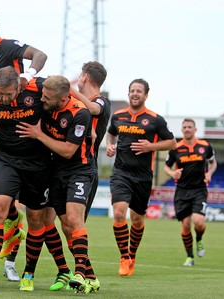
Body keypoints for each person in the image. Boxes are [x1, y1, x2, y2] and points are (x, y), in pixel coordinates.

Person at [16, 75, 99, 294]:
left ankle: (79, 273)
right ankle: (87, 276)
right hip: (55, 171)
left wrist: (38, 134)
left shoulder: (79, 114)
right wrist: (24, 80)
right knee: (59, 225)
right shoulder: (48, 94)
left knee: (73, 220)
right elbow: (35, 80)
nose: (41, 99)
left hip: (79, 170)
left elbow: (68, 150)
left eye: (47, 97)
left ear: (63, 100)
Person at [0, 66, 52, 292]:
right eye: (1, 93)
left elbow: (62, 92)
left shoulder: (36, 88)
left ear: (20, 85)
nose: (5, 98)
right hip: (8, 160)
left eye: (9, 93)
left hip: (37, 163)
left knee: (36, 219)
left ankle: (29, 272)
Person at [106, 78, 176, 277]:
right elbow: (111, 134)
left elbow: (172, 143)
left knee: (137, 220)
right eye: (132, 90)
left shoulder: (156, 119)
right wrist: (111, 146)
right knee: (119, 213)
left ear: (146, 95)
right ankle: (123, 257)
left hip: (143, 177)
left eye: (139, 91)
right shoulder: (118, 116)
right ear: (128, 94)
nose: (135, 94)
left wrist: (151, 146)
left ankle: (132, 255)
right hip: (120, 173)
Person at [164, 118, 217, 266]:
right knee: (186, 225)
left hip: (199, 190)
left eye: (189, 127)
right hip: (181, 191)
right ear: (182, 130)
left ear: (195, 129)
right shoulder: (175, 148)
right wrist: (173, 174)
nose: (187, 129)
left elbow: (213, 163)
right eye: (184, 127)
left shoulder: (205, 146)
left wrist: (209, 174)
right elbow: (166, 167)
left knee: (199, 222)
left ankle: (199, 240)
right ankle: (189, 256)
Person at [71, 61, 111, 221]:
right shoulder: (77, 103)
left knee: (77, 221)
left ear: (85, 77)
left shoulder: (101, 101)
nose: (78, 78)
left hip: (86, 166)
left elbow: (94, 109)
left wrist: (70, 91)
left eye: (80, 75)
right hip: (65, 163)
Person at [0, 12, 47, 91]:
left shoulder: (6, 45)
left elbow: (40, 55)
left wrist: (27, 76)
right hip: (1, 97)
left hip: (17, 95)